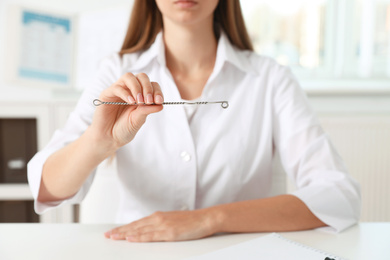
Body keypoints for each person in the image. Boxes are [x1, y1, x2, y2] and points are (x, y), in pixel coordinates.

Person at [28, 0, 361, 242]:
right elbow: (47, 188)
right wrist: (99, 142)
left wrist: (209, 219)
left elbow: (339, 195)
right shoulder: (115, 72)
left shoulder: (270, 79)